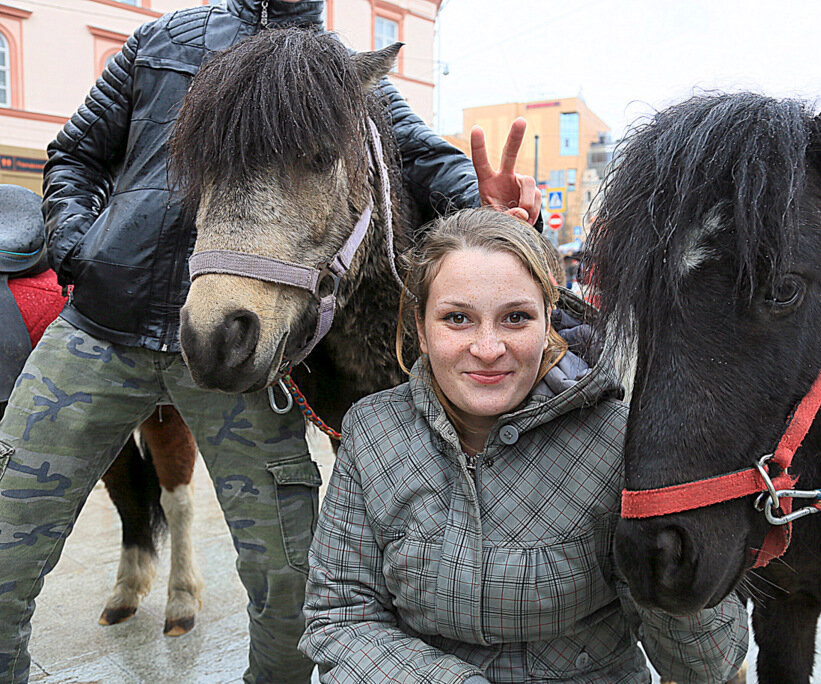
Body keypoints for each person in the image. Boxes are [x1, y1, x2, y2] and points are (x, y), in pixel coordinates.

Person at [0, 2, 538, 682]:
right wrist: (85, 251)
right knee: (4, 546)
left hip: (246, 366)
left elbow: (421, 158)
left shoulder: (335, 72)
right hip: (102, 329)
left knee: (291, 593)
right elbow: (76, 154)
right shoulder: (160, 40)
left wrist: (485, 210)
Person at [300, 209, 749, 684]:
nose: (488, 348)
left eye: (516, 318)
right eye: (457, 319)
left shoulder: (621, 440)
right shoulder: (373, 432)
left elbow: (707, 664)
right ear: (421, 325)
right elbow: (340, 617)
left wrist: (673, 544)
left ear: (549, 318)